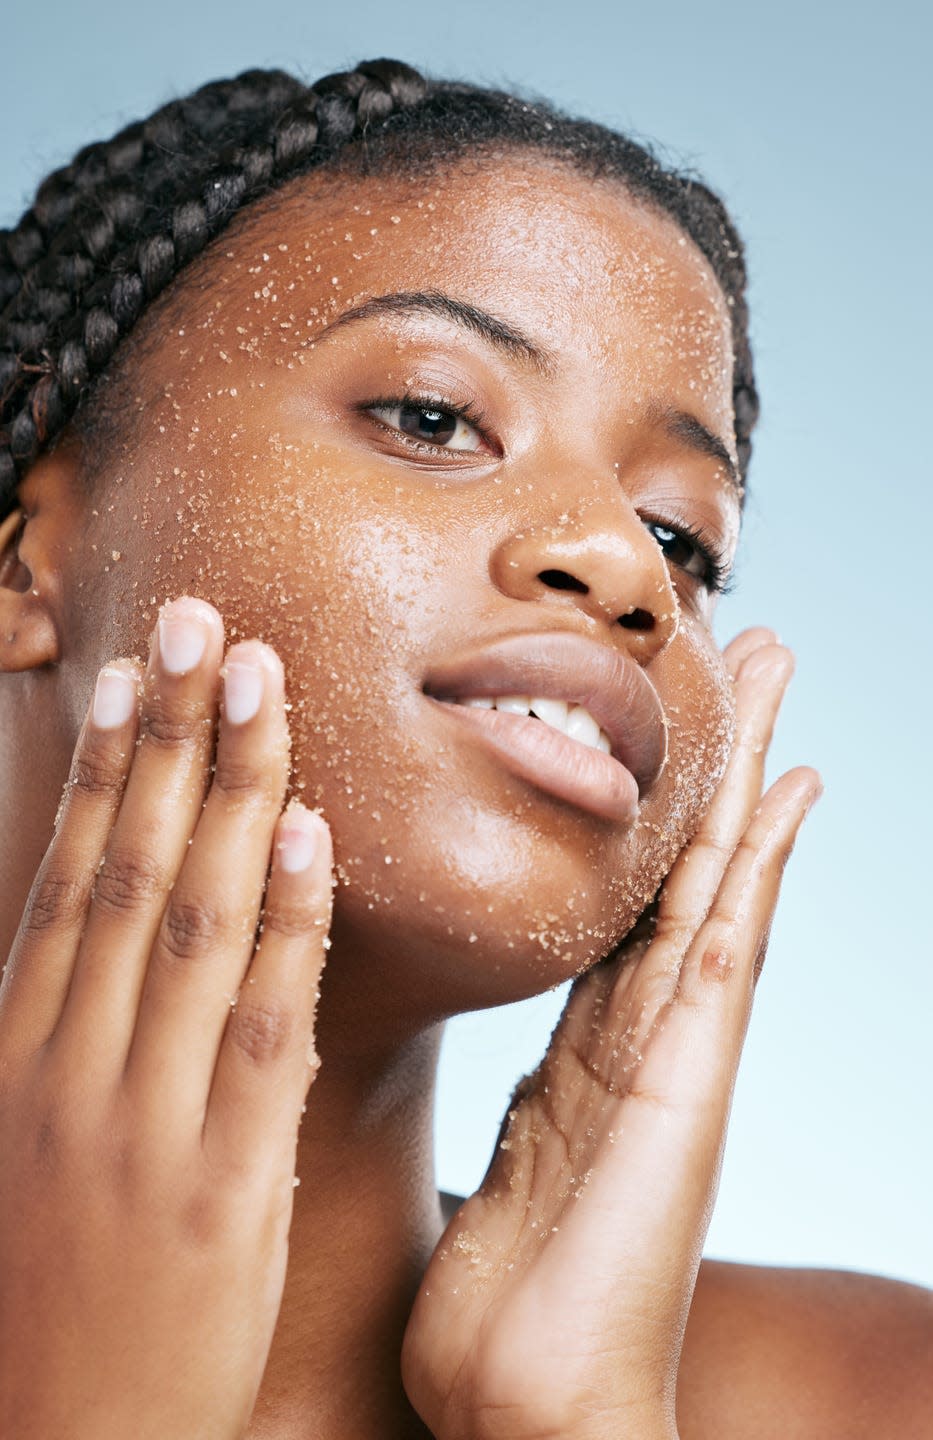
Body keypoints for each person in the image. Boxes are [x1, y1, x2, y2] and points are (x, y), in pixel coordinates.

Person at [0, 57, 928, 1440]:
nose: (623, 565)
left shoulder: (871, 1397)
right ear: (25, 566)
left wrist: (577, 1425)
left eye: (683, 540)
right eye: (432, 418)